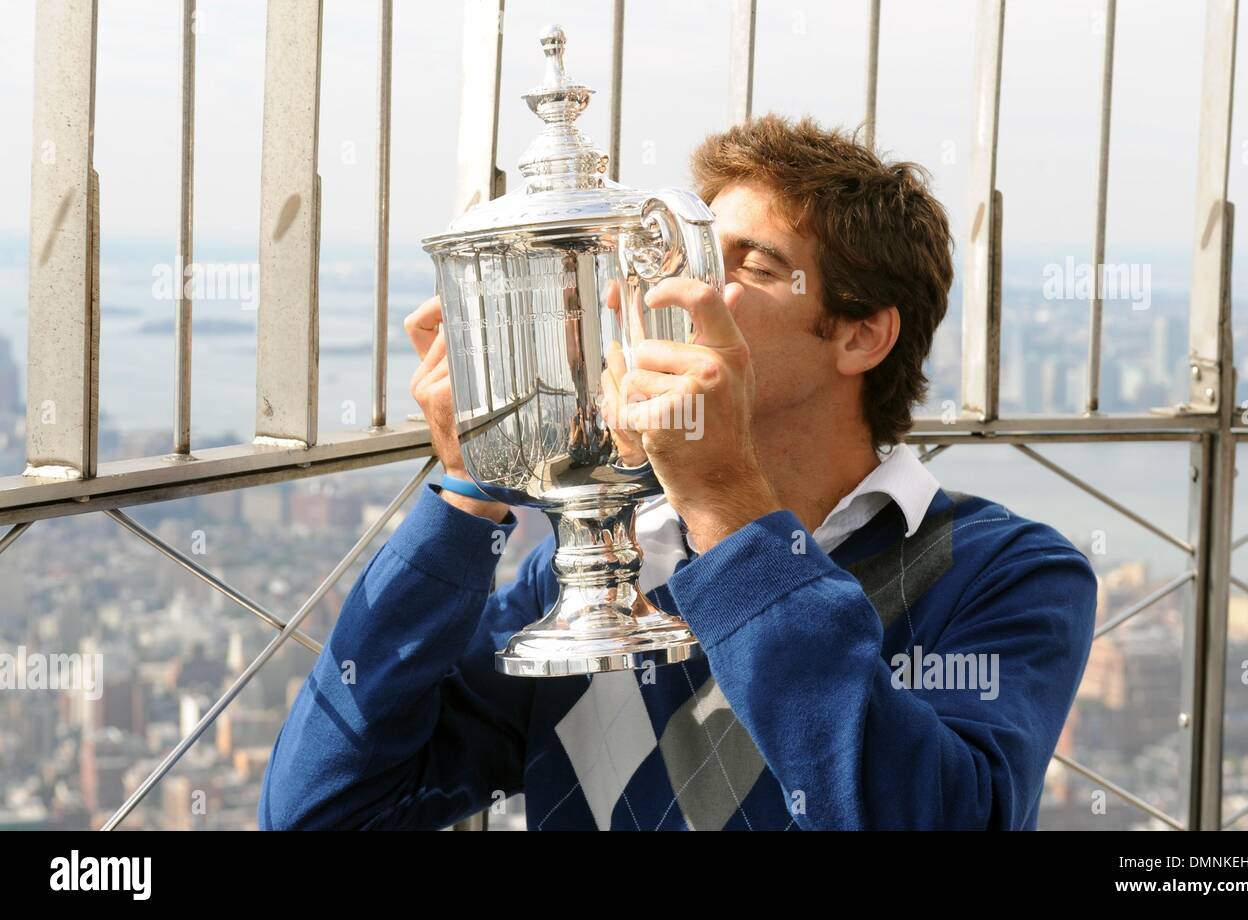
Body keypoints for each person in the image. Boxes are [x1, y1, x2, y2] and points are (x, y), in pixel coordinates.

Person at [259, 114, 1097, 831]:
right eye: (681, 254)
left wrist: (728, 507)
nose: (680, 285)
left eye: (748, 265)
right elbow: (321, 811)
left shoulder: (1006, 573)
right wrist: (467, 493)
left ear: (860, 337)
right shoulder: (600, 568)